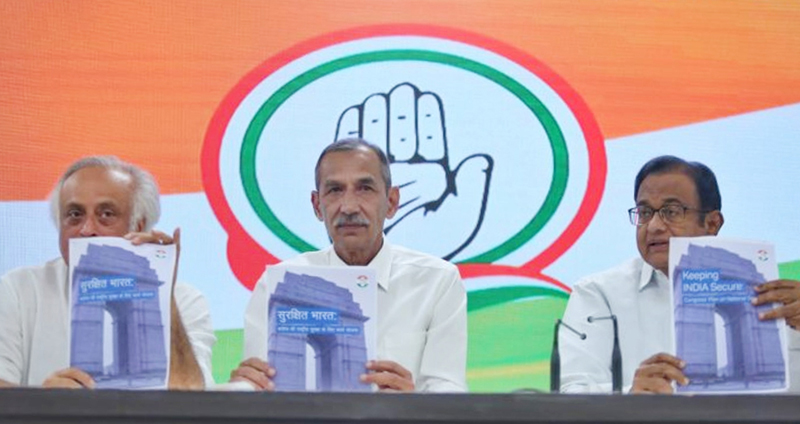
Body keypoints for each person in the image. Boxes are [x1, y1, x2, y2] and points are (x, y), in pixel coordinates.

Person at [230, 138, 467, 392]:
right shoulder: (275, 285)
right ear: (317, 205)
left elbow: (449, 394)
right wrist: (246, 392)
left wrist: (414, 405)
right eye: (334, 190)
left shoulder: (437, 281)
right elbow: (261, 390)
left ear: (391, 202)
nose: (349, 206)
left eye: (364, 188)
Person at [559, 155, 800, 393]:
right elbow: (569, 393)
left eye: (671, 211)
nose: (653, 226)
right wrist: (630, 395)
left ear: (712, 223)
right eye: (644, 213)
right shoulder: (599, 293)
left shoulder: (779, 297)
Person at [0, 156, 215, 389]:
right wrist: (46, 403)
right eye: (74, 214)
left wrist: (163, 296)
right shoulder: (18, 289)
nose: (87, 230)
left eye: (106, 214)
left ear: (139, 226)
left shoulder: (185, 300)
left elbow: (191, 397)